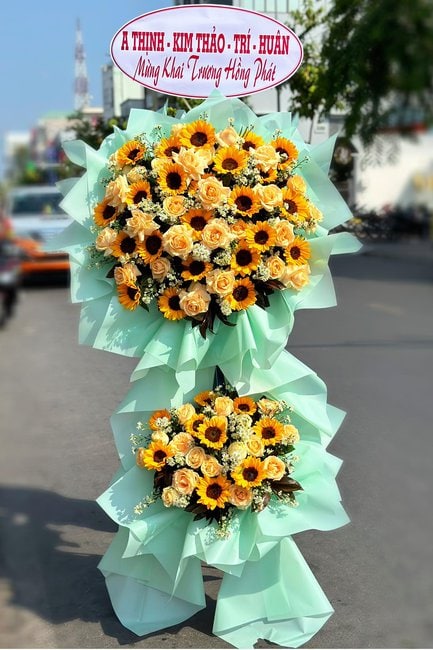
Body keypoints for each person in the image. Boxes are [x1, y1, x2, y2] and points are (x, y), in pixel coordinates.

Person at [0, 207, 20, 326]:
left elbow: (12, 241)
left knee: (11, 284)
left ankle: (10, 305)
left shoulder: (6, 224)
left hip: (5, 261)